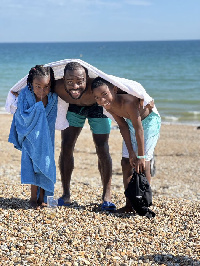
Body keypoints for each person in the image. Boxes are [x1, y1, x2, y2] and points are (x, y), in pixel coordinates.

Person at [91, 77, 161, 213]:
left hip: (148, 122)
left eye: (104, 94)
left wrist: (140, 155)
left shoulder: (128, 102)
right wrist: (131, 153)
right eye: (97, 97)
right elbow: (123, 126)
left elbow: (139, 128)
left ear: (114, 89)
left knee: (143, 163)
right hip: (130, 124)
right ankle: (129, 204)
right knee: (126, 162)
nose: (102, 100)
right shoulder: (108, 106)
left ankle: (142, 205)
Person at [54, 62, 116, 211]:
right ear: (63, 79)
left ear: (87, 78)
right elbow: (36, 84)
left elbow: (121, 88)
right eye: (70, 82)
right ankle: (66, 195)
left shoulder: (97, 87)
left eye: (79, 82)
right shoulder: (57, 87)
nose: (75, 86)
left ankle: (106, 197)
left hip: (98, 107)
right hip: (74, 107)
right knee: (66, 145)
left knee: (102, 148)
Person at [8, 65, 58, 208]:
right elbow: (21, 116)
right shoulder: (25, 94)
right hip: (29, 138)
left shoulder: (53, 98)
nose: (42, 90)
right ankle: (32, 197)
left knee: (45, 165)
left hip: (47, 139)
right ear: (31, 84)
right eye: (38, 86)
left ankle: (42, 197)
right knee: (31, 166)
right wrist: (37, 108)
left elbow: (51, 119)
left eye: (46, 86)